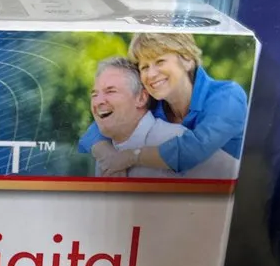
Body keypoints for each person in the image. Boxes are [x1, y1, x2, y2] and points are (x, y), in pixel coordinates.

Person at [83, 33, 247, 178]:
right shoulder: (155, 102)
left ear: (187, 60)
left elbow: (194, 149)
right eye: (144, 67)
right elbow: (100, 126)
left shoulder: (227, 97)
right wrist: (108, 156)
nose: (151, 74)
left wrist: (130, 157)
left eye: (160, 61)